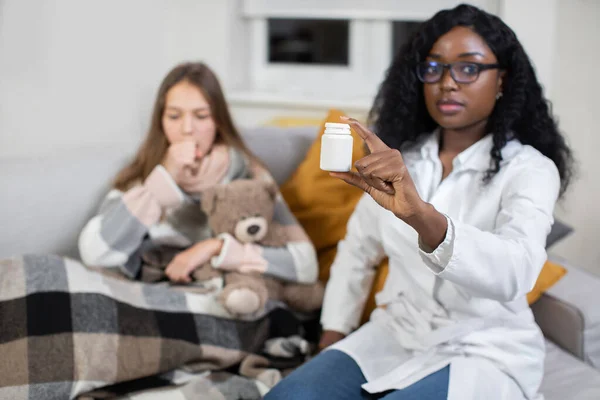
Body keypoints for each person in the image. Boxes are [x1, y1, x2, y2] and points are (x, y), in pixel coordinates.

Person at [266, 4, 574, 400]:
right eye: (434, 68)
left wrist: (423, 217)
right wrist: (331, 340)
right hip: (394, 335)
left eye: (469, 68)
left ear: (503, 81)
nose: (447, 83)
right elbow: (357, 252)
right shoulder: (404, 159)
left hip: (481, 350)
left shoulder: (530, 170)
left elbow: (516, 272)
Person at [78, 62, 318, 294]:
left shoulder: (250, 176)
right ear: (160, 122)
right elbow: (95, 253)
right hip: (156, 294)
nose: (187, 129)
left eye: (201, 116)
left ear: (217, 121)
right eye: (174, 116)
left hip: (223, 297)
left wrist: (215, 248)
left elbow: (305, 264)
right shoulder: (144, 177)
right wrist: (165, 177)